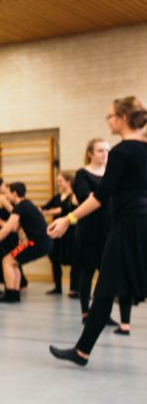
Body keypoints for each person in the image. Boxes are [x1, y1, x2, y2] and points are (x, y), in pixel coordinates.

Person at [49, 96, 147, 365]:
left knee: (104, 289)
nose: (109, 121)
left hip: (127, 226)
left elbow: (101, 196)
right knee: (113, 286)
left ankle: (82, 352)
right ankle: (82, 350)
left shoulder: (122, 152)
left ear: (124, 118)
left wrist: (68, 218)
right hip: (142, 223)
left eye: (111, 116)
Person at [0, 182, 52, 303]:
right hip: (41, 243)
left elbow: (7, 229)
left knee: (7, 260)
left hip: (37, 243)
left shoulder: (21, 206)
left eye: (8, 193)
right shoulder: (26, 205)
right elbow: (15, 228)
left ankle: (11, 295)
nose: (6, 196)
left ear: (14, 193)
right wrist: (0, 222)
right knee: (12, 262)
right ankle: (14, 294)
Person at [73, 138, 115, 324]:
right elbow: (84, 195)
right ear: (90, 153)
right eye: (100, 150)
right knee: (88, 270)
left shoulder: (112, 173)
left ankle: (103, 313)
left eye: (107, 150)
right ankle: (85, 312)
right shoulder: (82, 174)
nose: (105, 153)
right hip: (89, 229)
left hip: (109, 228)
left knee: (106, 274)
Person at [40, 172, 79, 296]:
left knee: (75, 260)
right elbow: (45, 207)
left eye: (60, 180)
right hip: (57, 233)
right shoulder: (57, 197)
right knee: (54, 259)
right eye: (57, 181)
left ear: (68, 181)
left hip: (71, 232)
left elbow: (63, 210)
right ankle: (58, 287)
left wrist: (48, 211)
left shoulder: (74, 196)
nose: (58, 183)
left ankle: (74, 289)